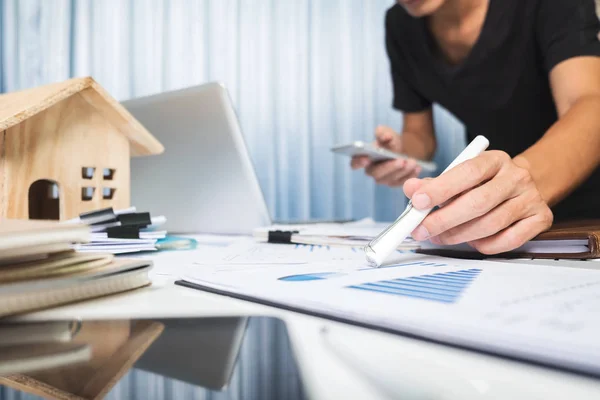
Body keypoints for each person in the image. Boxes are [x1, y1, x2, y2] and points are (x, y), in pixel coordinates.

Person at [352, 0, 600, 254]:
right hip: (496, 217)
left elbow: (589, 103)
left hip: (585, 210)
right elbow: (420, 135)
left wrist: (523, 179)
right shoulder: (400, 24)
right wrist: (401, 154)